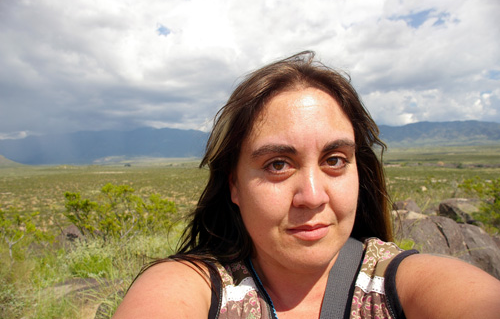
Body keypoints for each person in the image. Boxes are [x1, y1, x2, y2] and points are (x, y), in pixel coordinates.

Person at [112, 51, 500, 319]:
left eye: (334, 160)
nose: (313, 196)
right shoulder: (193, 287)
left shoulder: (401, 287)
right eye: (278, 164)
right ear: (234, 185)